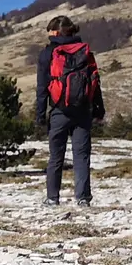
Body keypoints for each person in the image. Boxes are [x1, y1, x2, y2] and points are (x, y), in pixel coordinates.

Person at [35, 15, 104, 206]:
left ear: (56, 32)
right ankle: (82, 199)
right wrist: (99, 108)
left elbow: (42, 87)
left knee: (56, 156)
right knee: (81, 156)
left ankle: (52, 198)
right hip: (82, 111)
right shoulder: (85, 51)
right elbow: (95, 81)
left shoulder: (48, 53)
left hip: (59, 111)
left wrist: (40, 115)